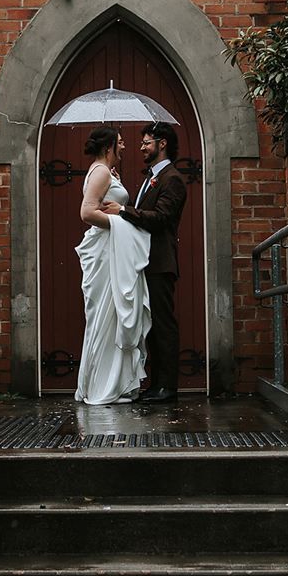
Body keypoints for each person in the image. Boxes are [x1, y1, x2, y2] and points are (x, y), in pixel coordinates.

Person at [106, 121, 186, 404]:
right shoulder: (151, 177)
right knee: (149, 324)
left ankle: (167, 387)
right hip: (144, 261)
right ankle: (155, 384)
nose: (141, 147)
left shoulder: (172, 178)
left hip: (160, 262)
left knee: (163, 323)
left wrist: (123, 211)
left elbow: (161, 218)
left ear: (162, 143)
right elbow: (144, 211)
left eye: (146, 142)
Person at [74, 126, 151, 405]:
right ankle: (104, 386)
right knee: (108, 315)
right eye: (120, 142)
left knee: (114, 316)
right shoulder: (101, 172)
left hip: (114, 249)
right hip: (107, 252)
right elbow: (87, 212)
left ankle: (114, 382)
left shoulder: (105, 172)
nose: (125, 146)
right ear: (108, 147)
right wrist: (122, 223)